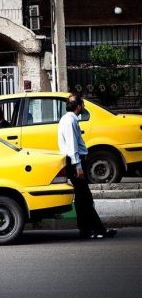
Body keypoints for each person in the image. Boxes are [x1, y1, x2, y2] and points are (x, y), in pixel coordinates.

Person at [58, 94, 117, 239]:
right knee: (85, 197)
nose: (83, 106)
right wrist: (78, 166)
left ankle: (87, 230)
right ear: (79, 106)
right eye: (83, 104)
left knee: (82, 198)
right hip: (75, 163)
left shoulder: (68, 119)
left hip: (75, 162)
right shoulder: (70, 121)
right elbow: (72, 146)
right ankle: (97, 230)